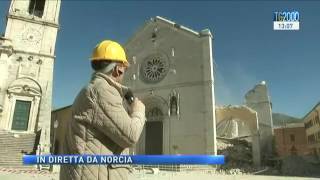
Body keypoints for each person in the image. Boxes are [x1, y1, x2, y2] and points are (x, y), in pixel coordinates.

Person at [60, 40, 146, 180]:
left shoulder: (94, 89)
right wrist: (138, 111)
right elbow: (131, 136)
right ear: (118, 68)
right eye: (125, 68)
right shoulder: (102, 91)